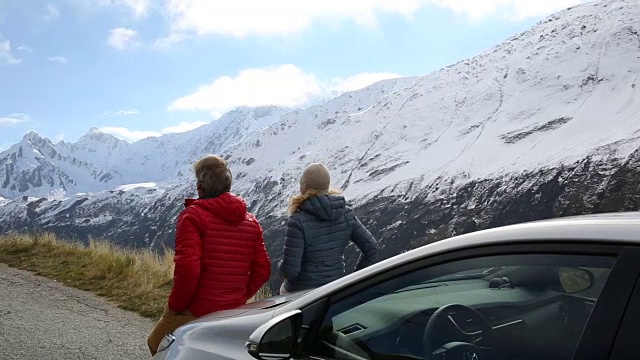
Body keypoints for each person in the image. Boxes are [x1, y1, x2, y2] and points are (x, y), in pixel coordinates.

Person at [147, 154, 271, 356]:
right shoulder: (251, 221)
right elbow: (263, 270)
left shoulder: (192, 216)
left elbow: (188, 268)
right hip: (234, 310)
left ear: (200, 186)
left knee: (156, 344)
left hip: (197, 308)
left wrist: (176, 306)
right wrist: (239, 297)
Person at [278, 163, 377, 295]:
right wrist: (353, 279)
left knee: (283, 292)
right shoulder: (346, 214)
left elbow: (291, 272)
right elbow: (371, 247)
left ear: (304, 187)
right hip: (335, 288)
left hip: (301, 292)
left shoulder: (297, 221)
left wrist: (280, 267)